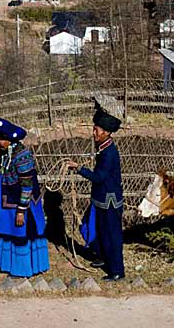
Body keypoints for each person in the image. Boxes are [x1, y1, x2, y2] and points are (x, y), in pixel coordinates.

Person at [66, 97, 125, 281]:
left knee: (111, 235)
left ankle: (117, 271)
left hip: (109, 201)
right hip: (101, 199)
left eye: (96, 130)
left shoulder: (108, 153)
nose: (93, 133)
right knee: (91, 227)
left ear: (106, 132)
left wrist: (79, 168)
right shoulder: (103, 147)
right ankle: (102, 255)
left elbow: (99, 177)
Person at [0, 114, 49, 278]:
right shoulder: (6, 152)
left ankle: (22, 269)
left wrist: (21, 211)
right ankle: (9, 264)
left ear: (8, 139)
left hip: (22, 202)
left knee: (21, 231)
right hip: (9, 198)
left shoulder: (22, 156)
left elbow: (27, 186)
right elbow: (4, 171)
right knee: (9, 230)